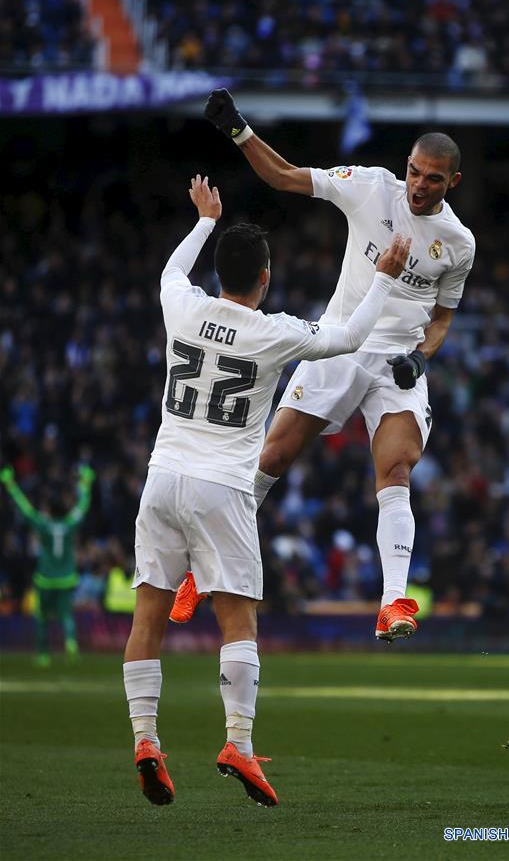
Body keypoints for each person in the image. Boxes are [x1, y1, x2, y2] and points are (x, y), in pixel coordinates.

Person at [123, 173, 409, 807]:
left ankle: (146, 740)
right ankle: (238, 744)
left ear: (218, 272)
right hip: (223, 487)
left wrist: (203, 220)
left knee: (147, 618)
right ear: (266, 277)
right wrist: (385, 277)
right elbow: (349, 338)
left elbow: (170, 272)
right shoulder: (273, 332)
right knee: (237, 620)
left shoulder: (183, 306)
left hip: (162, 477)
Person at [170, 90, 476, 643]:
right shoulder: (371, 186)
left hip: (396, 363)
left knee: (397, 471)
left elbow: (442, 318)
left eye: (433, 179)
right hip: (339, 344)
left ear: (452, 182)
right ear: (406, 165)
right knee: (272, 458)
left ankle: (393, 602)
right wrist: (238, 128)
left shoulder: (458, 244)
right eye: (414, 171)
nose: (418, 184)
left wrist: (420, 357)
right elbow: (285, 176)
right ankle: (198, 573)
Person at [0, 463, 95, 666]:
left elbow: (25, 509)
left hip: (45, 577)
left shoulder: (43, 524)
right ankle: (71, 641)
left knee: (42, 617)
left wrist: (11, 485)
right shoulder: (70, 524)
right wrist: (86, 484)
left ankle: (43, 655)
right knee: (66, 615)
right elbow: (83, 506)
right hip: (66, 577)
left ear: (49, 511)